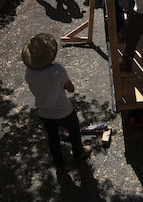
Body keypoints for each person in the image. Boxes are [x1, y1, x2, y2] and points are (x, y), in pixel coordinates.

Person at [22, 33, 91, 170]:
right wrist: (63, 85)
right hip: (63, 110)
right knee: (74, 129)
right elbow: (71, 89)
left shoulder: (28, 72)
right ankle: (78, 152)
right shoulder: (56, 70)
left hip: (44, 112)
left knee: (52, 137)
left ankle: (58, 162)